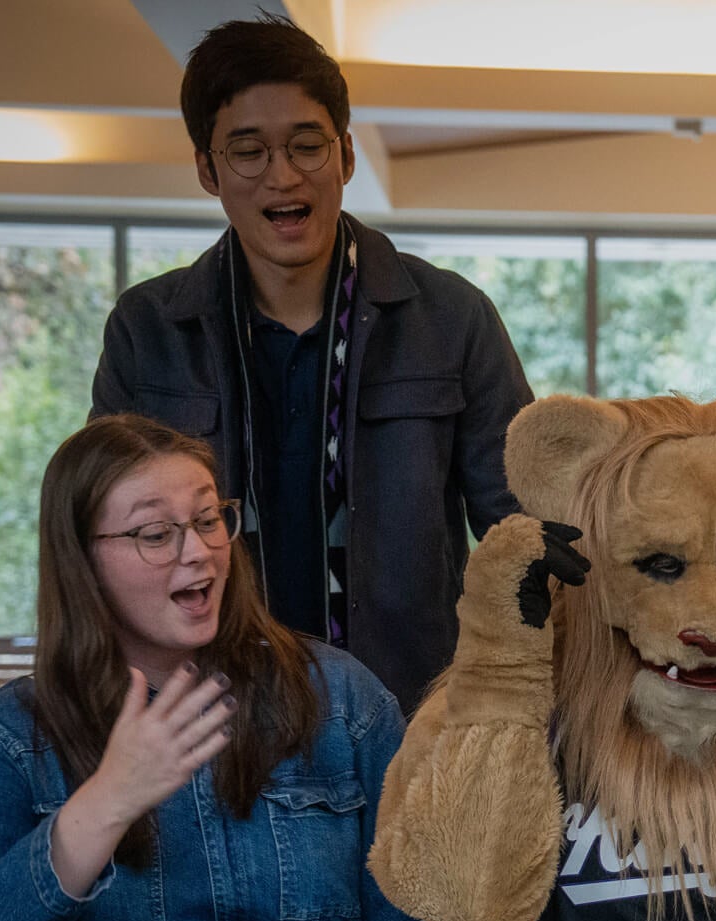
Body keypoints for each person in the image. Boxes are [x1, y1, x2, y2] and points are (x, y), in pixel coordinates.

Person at [0, 416, 478, 921]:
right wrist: (107, 802)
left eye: (210, 519)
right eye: (156, 533)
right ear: (81, 556)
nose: (199, 553)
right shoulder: (14, 734)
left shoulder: (341, 695)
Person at [92, 15, 532, 712]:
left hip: (409, 718)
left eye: (307, 145)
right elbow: (104, 539)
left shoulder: (452, 318)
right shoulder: (147, 331)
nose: (284, 175)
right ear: (208, 169)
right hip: (205, 720)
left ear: (347, 156)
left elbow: (524, 530)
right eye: (249, 151)